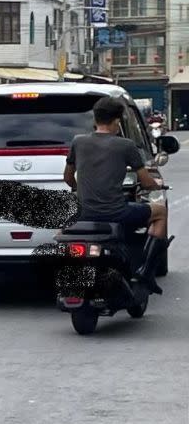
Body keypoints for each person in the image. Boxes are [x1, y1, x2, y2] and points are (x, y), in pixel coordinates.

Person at [64, 96, 170, 293]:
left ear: (95, 120)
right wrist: (157, 186)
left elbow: (68, 178)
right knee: (160, 212)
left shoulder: (78, 142)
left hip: (84, 213)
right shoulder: (126, 145)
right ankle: (146, 270)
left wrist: (80, 188)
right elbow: (145, 181)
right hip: (116, 212)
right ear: (117, 122)